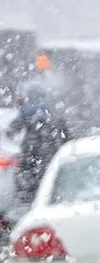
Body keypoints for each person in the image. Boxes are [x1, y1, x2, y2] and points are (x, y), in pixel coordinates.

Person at [5, 80, 72, 215]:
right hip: (49, 152)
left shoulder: (27, 111)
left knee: (29, 185)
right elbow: (63, 132)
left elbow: (12, 129)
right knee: (47, 182)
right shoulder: (49, 111)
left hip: (32, 152)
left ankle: (31, 208)